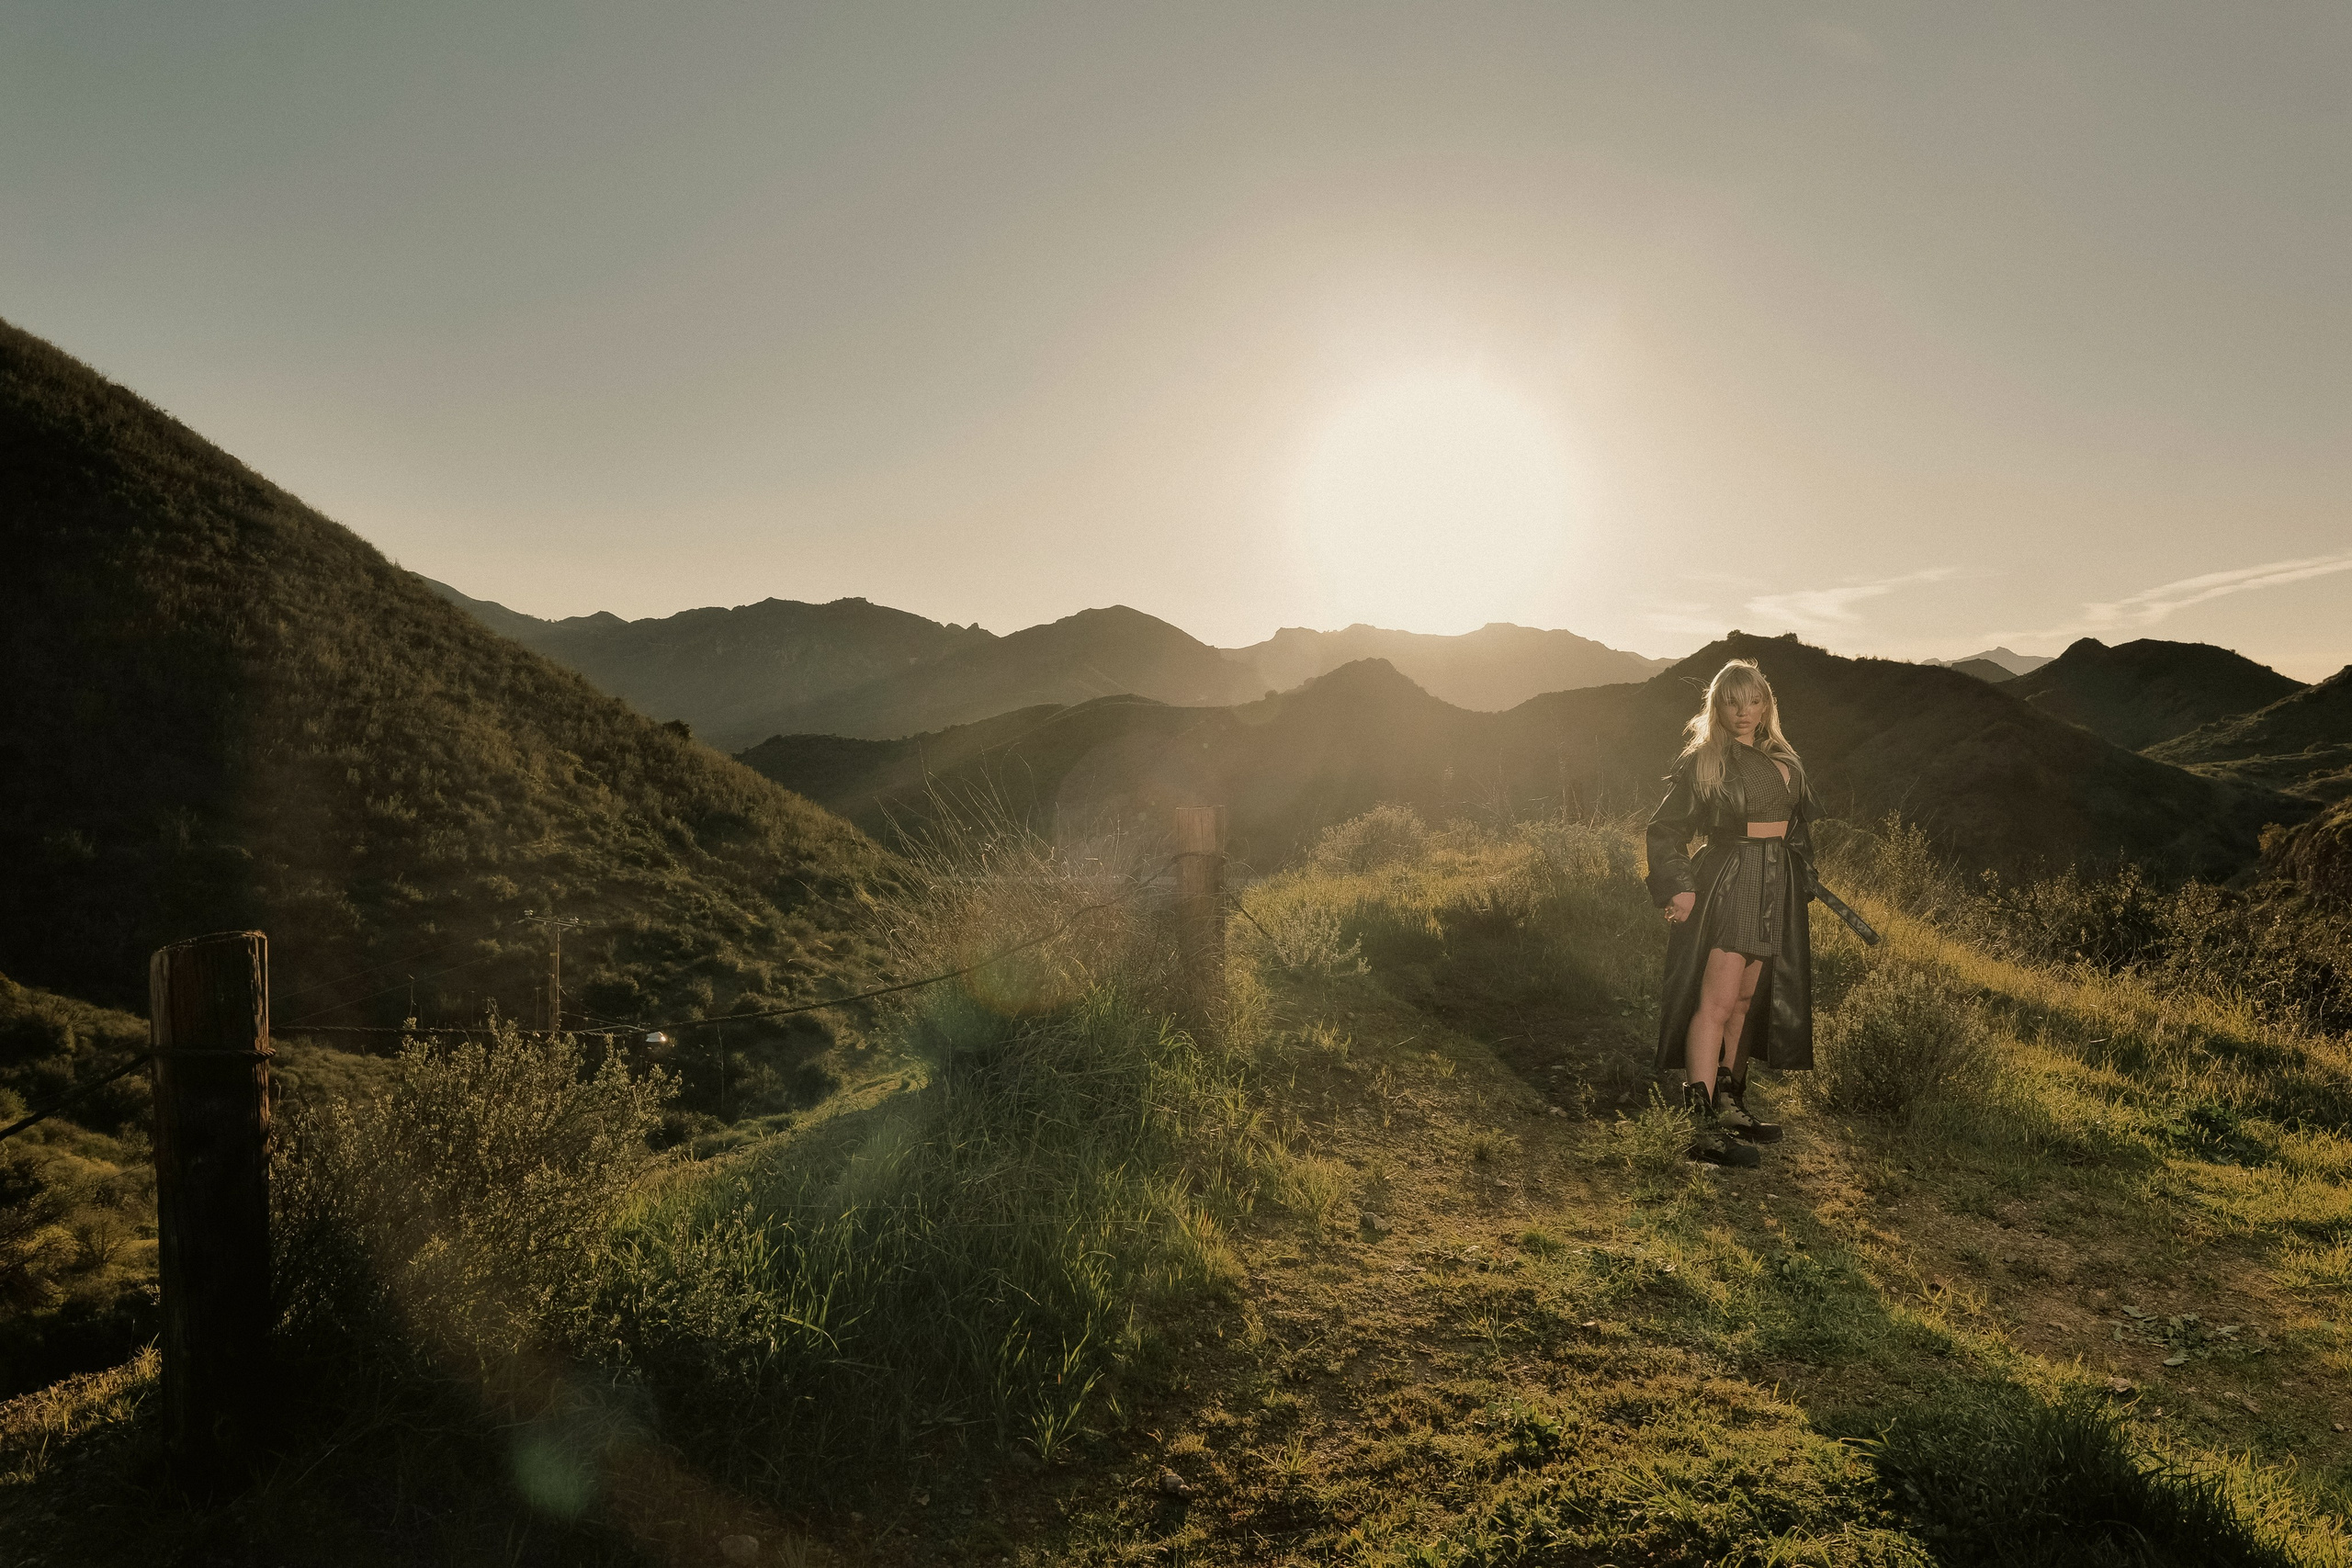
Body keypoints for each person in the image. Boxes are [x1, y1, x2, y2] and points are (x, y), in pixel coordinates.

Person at [1644, 659, 1819, 1164]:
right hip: (1732, 878)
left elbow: (1797, 829)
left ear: (1766, 705)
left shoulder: (1784, 757)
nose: (1743, 711)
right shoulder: (1706, 761)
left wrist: (1803, 876)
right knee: (1716, 1003)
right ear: (1716, 707)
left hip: (1775, 883)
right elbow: (1665, 830)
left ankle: (1729, 1105)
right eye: (1732, 701)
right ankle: (1699, 1127)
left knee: (1745, 1002)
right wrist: (1679, 887)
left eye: (1753, 700)